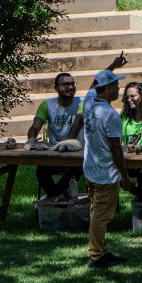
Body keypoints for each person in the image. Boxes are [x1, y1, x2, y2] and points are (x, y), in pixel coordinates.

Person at [81, 71, 128, 269]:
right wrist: (125, 176)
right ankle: (96, 256)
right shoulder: (110, 115)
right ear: (107, 88)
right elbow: (116, 150)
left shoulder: (89, 102)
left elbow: (93, 85)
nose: (119, 88)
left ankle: (102, 250)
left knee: (96, 212)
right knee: (101, 217)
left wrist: (113, 66)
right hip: (105, 173)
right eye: (115, 85)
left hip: (90, 169)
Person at [25, 73, 84, 201]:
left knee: (73, 171)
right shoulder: (47, 105)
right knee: (41, 171)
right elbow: (35, 126)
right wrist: (31, 138)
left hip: (77, 154)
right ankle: (58, 198)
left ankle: (54, 198)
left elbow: (77, 125)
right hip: (54, 153)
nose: (70, 87)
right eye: (65, 84)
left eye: (72, 84)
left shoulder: (82, 102)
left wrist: (67, 141)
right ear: (56, 88)